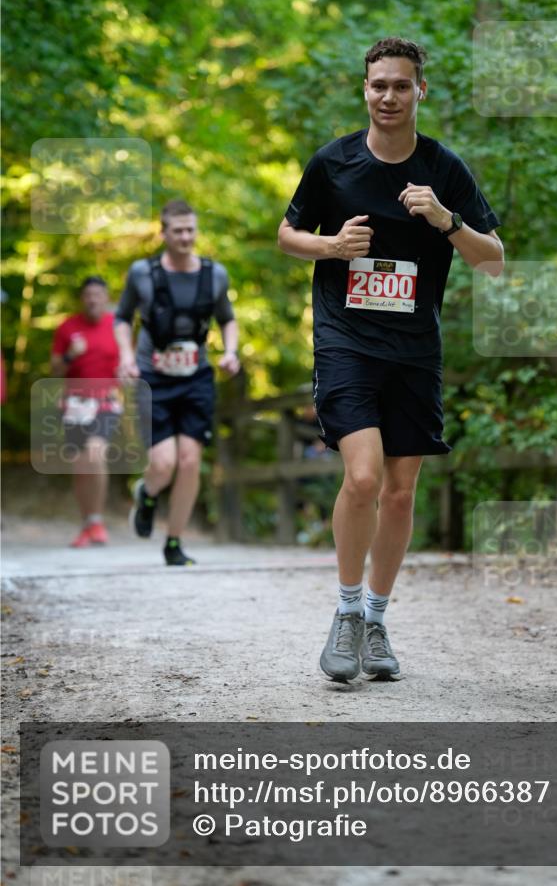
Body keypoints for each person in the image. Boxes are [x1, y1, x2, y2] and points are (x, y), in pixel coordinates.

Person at [278, 37, 504, 682]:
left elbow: (494, 259)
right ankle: (346, 612)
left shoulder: (443, 167)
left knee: (402, 494)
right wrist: (330, 246)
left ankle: (376, 621)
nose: (388, 96)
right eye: (378, 85)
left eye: (401, 86)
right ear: (365, 89)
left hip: (414, 349)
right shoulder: (334, 162)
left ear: (419, 92)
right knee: (366, 478)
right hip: (346, 342)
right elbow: (285, 236)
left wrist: (446, 218)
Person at [115, 199, 240, 566]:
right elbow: (122, 319)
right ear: (164, 233)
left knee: (189, 461)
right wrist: (125, 356)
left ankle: (174, 543)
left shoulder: (214, 274)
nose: (186, 237)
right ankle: (147, 493)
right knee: (163, 463)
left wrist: (230, 351)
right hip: (152, 377)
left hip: (196, 376)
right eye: (178, 230)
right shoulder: (142, 273)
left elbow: (227, 319)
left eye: (191, 230)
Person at [51, 276, 121, 548]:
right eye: (88, 295)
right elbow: (54, 369)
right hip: (75, 403)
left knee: (95, 452)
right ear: (83, 298)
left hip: (106, 400)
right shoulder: (67, 328)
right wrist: (70, 354)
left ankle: (97, 520)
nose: (93, 299)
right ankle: (86, 524)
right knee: (80, 467)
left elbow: (130, 360)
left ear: (105, 298)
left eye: (98, 294)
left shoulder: (118, 327)